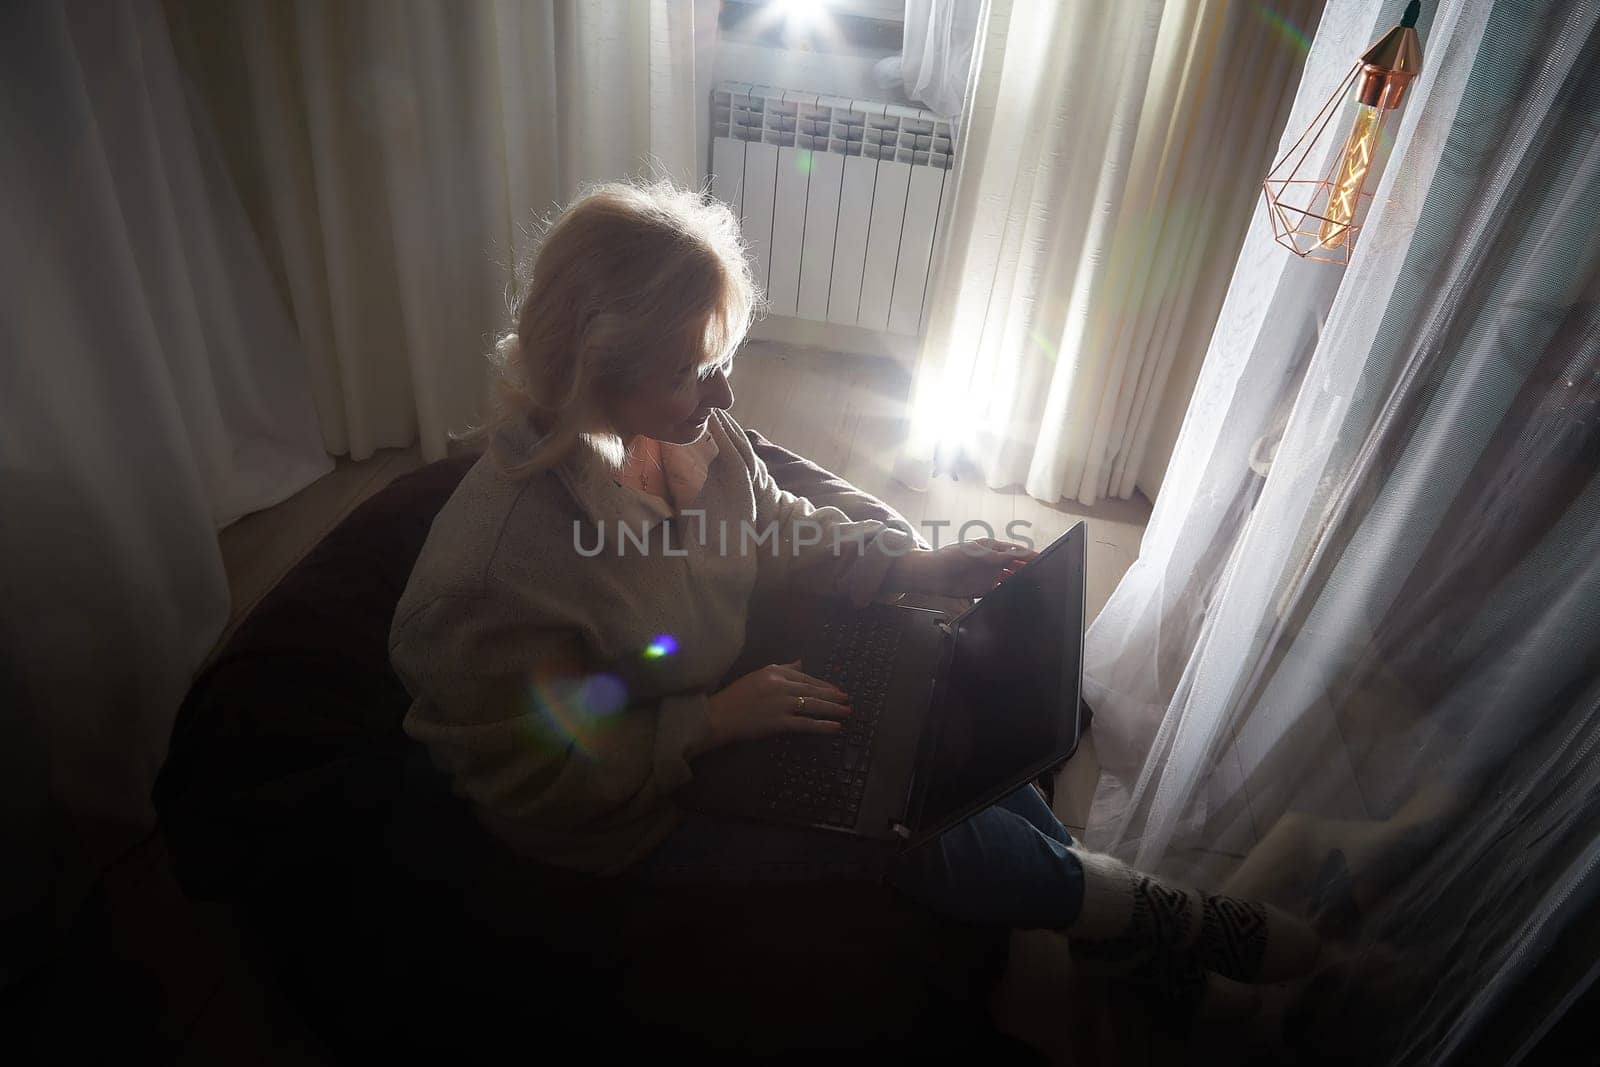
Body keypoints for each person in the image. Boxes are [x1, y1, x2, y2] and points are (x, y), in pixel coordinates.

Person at [388, 179, 1320, 1022]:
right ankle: (1161, 919)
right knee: (909, 837)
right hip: (624, 808)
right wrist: (705, 723)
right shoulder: (495, 575)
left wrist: (911, 566)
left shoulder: (679, 435)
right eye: (689, 371)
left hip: (716, 697)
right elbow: (532, 778)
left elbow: (774, 519)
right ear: (597, 367)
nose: (725, 391)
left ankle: (1104, 913)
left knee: (940, 722)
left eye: (720, 358)